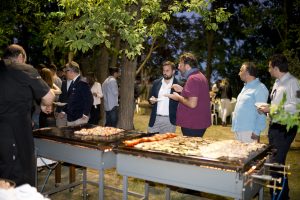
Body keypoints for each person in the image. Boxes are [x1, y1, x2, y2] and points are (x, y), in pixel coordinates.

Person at [0, 44, 54, 186]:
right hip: (16, 134)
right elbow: (49, 96)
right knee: (19, 179)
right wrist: (44, 103)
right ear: (20, 57)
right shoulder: (23, 69)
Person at [259, 54, 300, 200]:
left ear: (276, 68)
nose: (268, 70)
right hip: (275, 127)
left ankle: (279, 197)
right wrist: (267, 110)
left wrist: (272, 109)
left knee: (275, 165)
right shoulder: (277, 82)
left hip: (285, 129)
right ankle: (280, 196)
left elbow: (295, 107)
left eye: (269, 67)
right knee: (277, 165)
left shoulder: (293, 82)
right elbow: (277, 105)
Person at [166, 52, 211, 137]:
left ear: (187, 66)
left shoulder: (193, 78)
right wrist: (182, 90)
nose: (179, 67)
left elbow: (192, 104)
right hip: (198, 123)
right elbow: (196, 95)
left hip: (192, 124)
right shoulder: (200, 76)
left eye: (181, 64)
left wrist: (178, 97)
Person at [231, 62, 269, 143]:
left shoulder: (260, 88)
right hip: (239, 130)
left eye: (241, 70)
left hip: (249, 132)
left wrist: (257, 131)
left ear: (247, 73)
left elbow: (262, 112)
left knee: (249, 155)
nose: (239, 73)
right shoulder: (246, 87)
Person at [56, 61, 93, 126]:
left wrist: (85, 114)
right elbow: (70, 100)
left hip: (79, 118)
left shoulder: (82, 82)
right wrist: (64, 111)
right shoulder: (74, 82)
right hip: (71, 117)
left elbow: (89, 99)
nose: (65, 73)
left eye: (66, 71)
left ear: (71, 71)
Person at [148, 61, 179, 134]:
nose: (165, 72)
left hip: (169, 121)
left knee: (167, 144)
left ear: (173, 71)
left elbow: (181, 101)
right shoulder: (156, 83)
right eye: (164, 70)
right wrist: (151, 100)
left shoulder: (178, 84)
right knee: (150, 142)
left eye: (167, 70)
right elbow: (150, 98)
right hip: (155, 119)